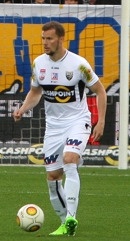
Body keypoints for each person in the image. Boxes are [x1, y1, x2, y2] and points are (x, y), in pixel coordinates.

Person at [13, 22, 106, 237]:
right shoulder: (38, 63)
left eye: (50, 39)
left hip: (78, 120)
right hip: (53, 127)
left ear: (61, 39)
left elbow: (100, 91)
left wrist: (100, 122)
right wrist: (22, 109)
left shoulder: (79, 64)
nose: (45, 42)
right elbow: (36, 92)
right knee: (53, 177)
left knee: (70, 159)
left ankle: (72, 216)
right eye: (43, 38)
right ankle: (66, 223)